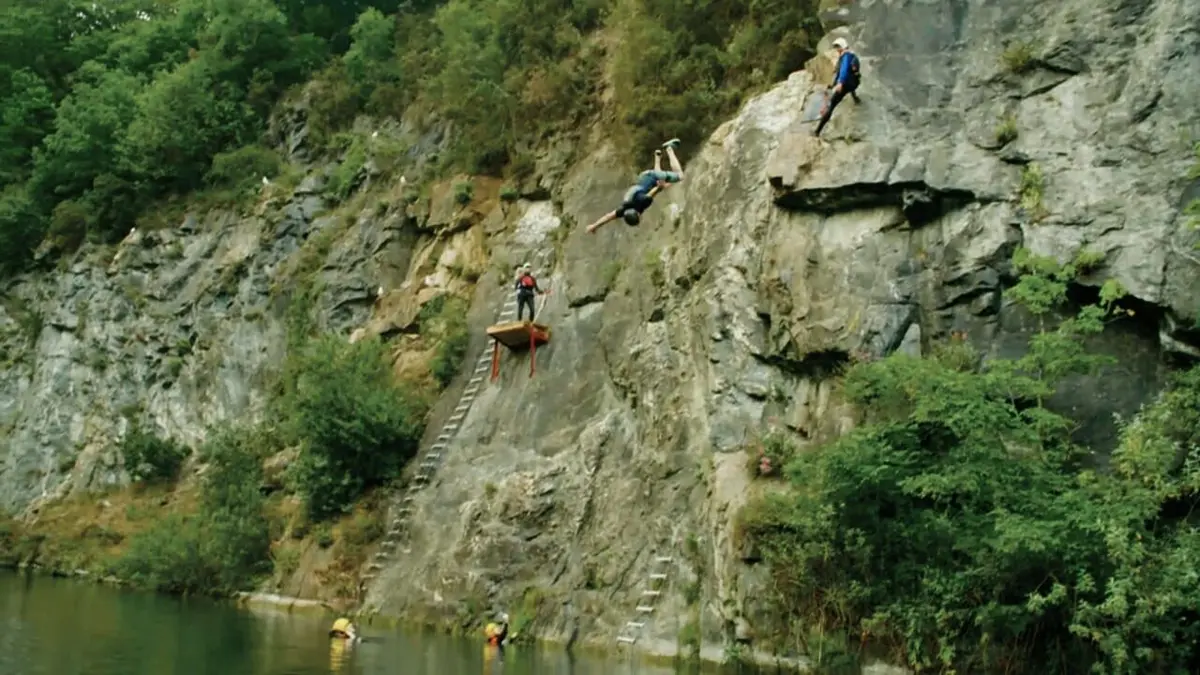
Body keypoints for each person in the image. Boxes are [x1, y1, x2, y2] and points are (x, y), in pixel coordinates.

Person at [586, 139, 684, 233]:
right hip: (643, 177)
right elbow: (608, 217)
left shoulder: (643, 201)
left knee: (679, 176)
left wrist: (660, 187)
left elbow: (655, 191)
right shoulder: (623, 208)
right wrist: (594, 226)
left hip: (651, 175)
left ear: (637, 214)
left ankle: (669, 149)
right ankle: (657, 156)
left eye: (639, 218)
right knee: (659, 181)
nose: (641, 218)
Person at [813, 37, 861, 138]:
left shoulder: (845, 57)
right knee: (850, 87)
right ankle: (855, 98)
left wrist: (840, 83)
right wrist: (833, 84)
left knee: (831, 105)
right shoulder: (852, 55)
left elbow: (843, 71)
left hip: (845, 84)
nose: (836, 49)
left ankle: (817, 131)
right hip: (854, 83)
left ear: (842, 47)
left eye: (837, 47)